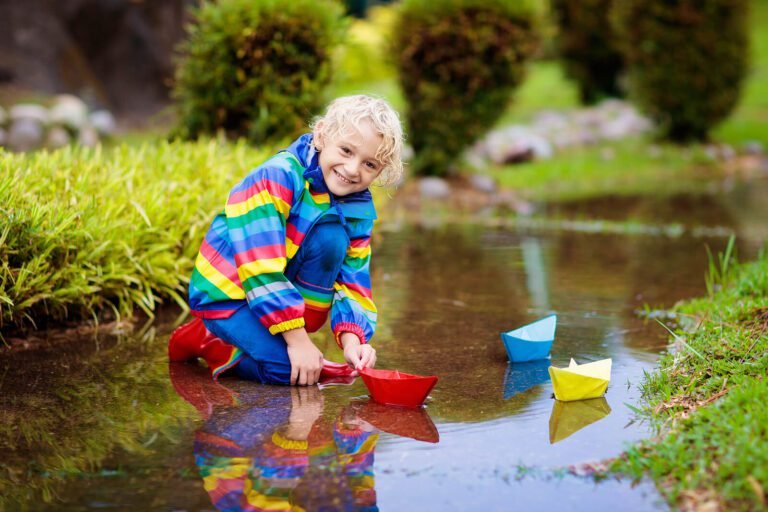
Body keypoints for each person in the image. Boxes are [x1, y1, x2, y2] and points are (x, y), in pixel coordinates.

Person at [169, 95, 404, 387]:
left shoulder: (356, 207)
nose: (353, 169)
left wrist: (353, 341)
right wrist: (298, 342)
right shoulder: (276, 177)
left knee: (332, 236)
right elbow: (259, 267)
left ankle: (279, 334)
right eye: (345, 150)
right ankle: (208, 338)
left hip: (272, 295)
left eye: (369, 164)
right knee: (288, 372)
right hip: (230, 293)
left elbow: (353, 280)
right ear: (321, 135)